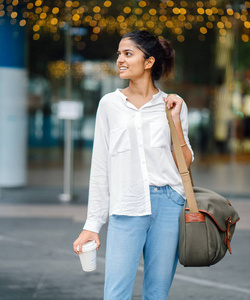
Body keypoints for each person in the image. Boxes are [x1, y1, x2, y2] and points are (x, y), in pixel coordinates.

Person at [73, 30, 193, 300]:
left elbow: (184, 164)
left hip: (168, 204)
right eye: (119, 54)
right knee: (116, 294)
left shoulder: (173, 105)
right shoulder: (109, 105)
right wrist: (93, 223)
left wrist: (174, 119)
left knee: (157, 294)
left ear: (149, 62)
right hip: (126, 203)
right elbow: (100, 167)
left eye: (128, 54)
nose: (120, 60)